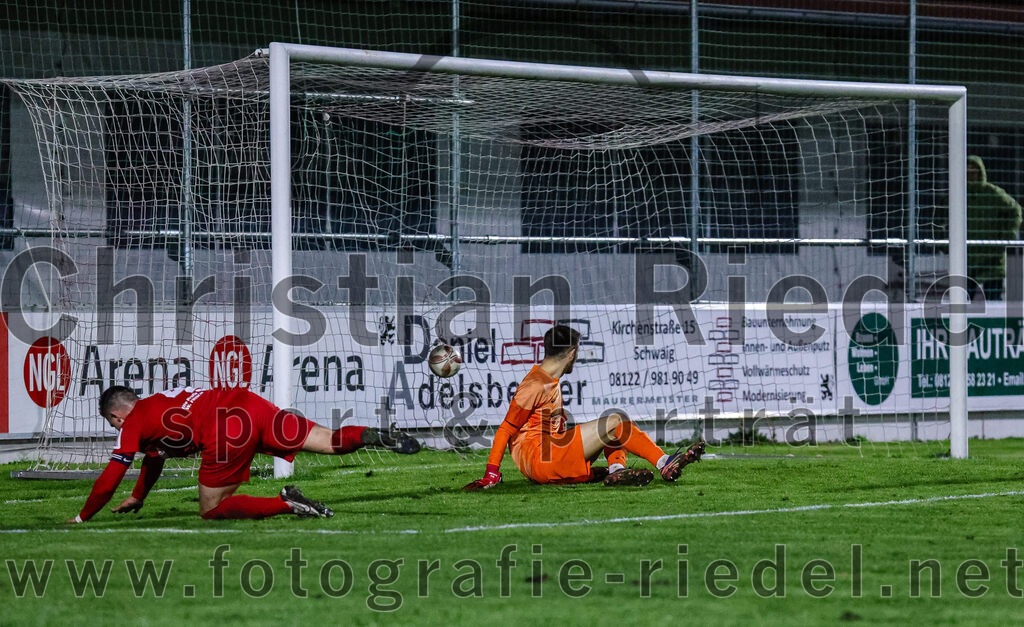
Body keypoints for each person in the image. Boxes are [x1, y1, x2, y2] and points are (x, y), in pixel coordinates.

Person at [66, 385, 420, 523]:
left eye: (113, 422)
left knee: (212, 510)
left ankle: (288, 504)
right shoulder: (157, 403)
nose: (116, 427)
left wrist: (83, 516)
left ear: (116, 415)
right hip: (248, 403)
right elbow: (154, 457)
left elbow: (110, 476)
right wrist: (139, 495)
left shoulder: (131, 424)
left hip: (227, 431)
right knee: (329, 441)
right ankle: (372, 435)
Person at [464, 325, 704, 491]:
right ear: (571, 353)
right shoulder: (535, 384)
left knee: (611, 432)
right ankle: (664, 462)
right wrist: (491, 472)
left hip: (544, 462)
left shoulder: (546, 379)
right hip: (542, 459)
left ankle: (616, 471)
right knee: (615, 422)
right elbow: (505, 429)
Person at [967, 155, 1022, 301]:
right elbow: (940, 217)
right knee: (962, 304)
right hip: (967, 259)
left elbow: (1015, 210)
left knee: (994, 303)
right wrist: (945, 242)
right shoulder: (957, 195)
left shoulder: (993, 193)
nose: (971, 175)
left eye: (974, 171)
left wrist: (1008, 235)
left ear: (981, 173)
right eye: (967, 172)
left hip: (992, 259)